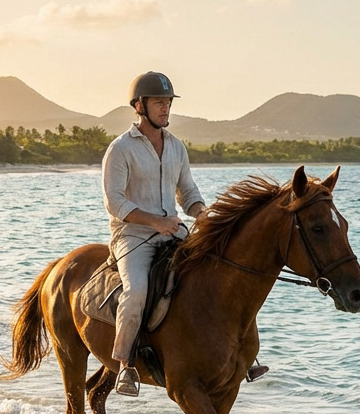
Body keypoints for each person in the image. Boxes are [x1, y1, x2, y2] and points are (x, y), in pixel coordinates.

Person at [101, 71, 267, 396]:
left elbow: (187, 191)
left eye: (167, 103)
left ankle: (243, 354)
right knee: (136, 292)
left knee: (219, 272)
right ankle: (125, 365)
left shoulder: (176, 147)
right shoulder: (120, 149)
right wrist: (155, 221)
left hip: (173, 232)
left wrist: (203, 213)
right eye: (158, 102)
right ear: (139, 106)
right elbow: (114, 201)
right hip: (132, 237)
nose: (165, 108)